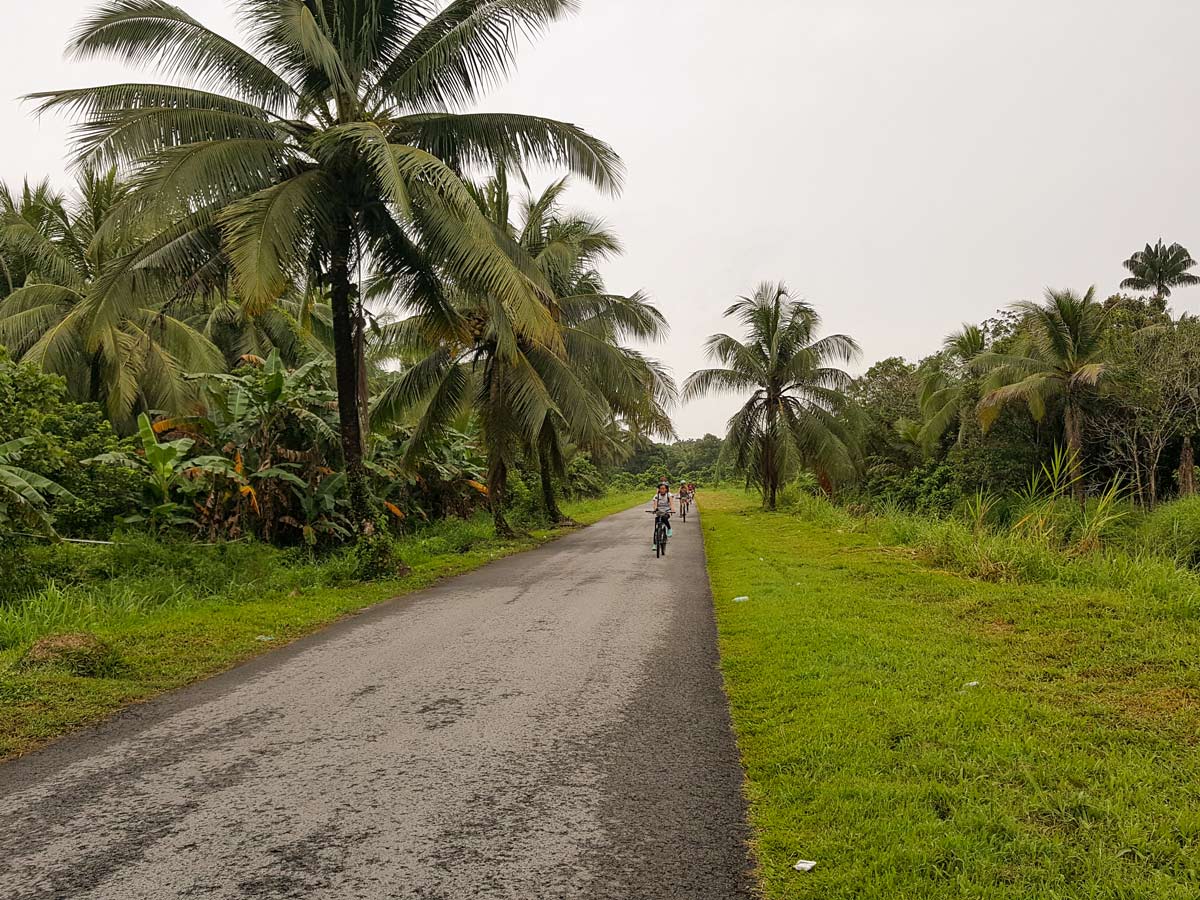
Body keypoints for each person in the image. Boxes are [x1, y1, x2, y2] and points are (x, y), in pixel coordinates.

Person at [648, 480, 674, 547]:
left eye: (664, 488)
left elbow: (671, 504)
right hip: (659, 512)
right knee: (656, 527)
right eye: (661, 488)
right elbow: (655, 504)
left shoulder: (669, 495)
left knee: (664, 518)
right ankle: (654, 544)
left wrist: (672, 510)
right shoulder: (657, 496)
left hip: (666, 512)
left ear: (666, 489)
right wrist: (655, 509)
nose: (662, 490)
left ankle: (669, 528)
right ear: (659, 489)